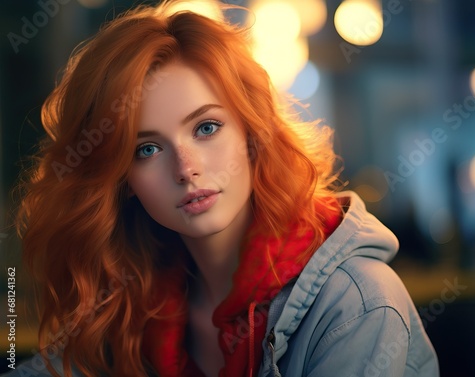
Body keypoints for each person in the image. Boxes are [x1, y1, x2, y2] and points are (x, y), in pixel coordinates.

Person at [6, 0, 439, 376]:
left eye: (207, 127)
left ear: (253, 134)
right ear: (122, 181)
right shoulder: (126, 300)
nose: (186, 169)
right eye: (147, 149)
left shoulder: (357, 306)